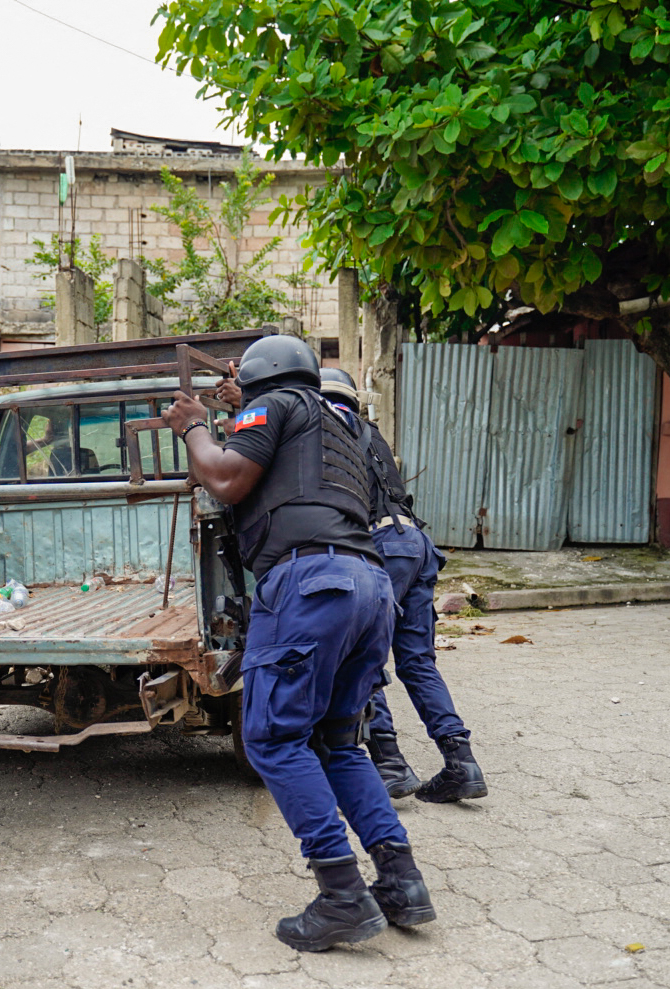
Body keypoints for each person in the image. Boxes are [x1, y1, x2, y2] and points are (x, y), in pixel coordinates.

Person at [163, 335, 434, 952]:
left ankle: (341, 895)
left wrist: (194, 427)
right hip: (369, 588)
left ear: (259, 386)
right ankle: (402, 882)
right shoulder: (338, 425)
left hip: (310, 585)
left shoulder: (274, 406)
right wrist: (236, 411)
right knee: (340, 743)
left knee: (274, 739)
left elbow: (227, 478)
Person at [317, 368, 487, 803]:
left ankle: (390, 762)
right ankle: (461, 764)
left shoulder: (323, 430)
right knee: (417, 662)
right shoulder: (370, 432)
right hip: (415, 543)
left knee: (361, 654)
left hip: (379, 546)